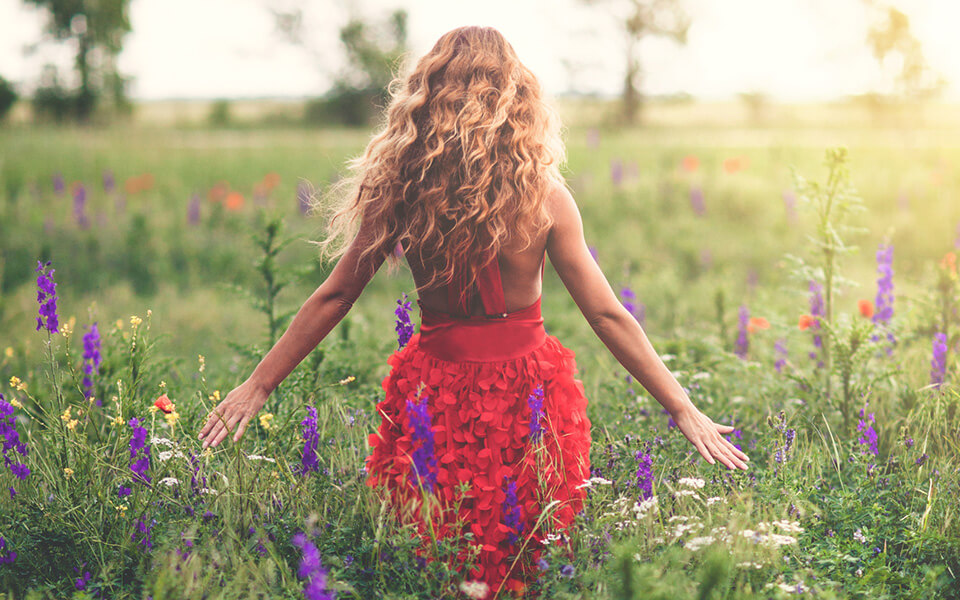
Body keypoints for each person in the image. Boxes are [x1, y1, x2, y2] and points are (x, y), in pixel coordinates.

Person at [197, 25, 748, 598]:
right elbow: (607, 315)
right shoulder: (545, 196)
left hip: (434, 391)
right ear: (518, 97)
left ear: (427, 94)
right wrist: (681, 407)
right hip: (530, 392)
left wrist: (258, 385)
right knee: (522, 565)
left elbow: (336, 295)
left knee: (441, 560)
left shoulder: (402, 191)